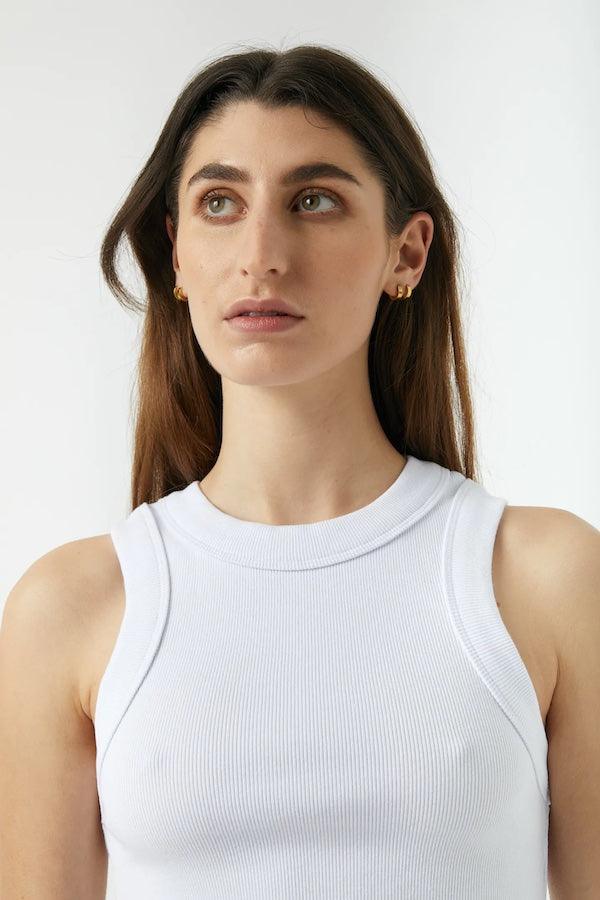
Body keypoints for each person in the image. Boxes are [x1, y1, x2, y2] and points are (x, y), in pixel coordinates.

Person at [1, 43, 599, 900]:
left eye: (314, 200)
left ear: (407, 253)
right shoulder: (71, 610)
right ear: (177, 254)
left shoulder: (546, 582)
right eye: (219, 203)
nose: (262, 254)